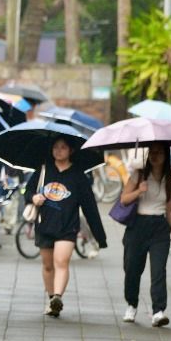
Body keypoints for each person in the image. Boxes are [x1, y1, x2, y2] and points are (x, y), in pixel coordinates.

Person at [25, 136, 107, 317]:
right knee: (47, 266)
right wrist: (33, 197)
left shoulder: (78, 176)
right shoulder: (44, 170)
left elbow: (90, 207)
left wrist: (100, 237)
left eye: (63, 148)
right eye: (56, 147)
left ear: (71, 151)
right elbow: (28, 190)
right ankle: (51, 299)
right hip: (45, 224)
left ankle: (58, 296)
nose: (59, 151)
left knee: (61, 261)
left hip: (67, 227)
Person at [120, 144, 171, 327]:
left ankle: (158, 311)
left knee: (158, 270)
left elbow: (169, 211)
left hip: (159, 228)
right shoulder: (138, 175)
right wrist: (139, 191)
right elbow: (123, 199)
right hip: (137, 226)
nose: (155, 156)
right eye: (152, 152)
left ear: (166, 155)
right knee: (132, 269)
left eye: (159, 152)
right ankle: (131, 304)